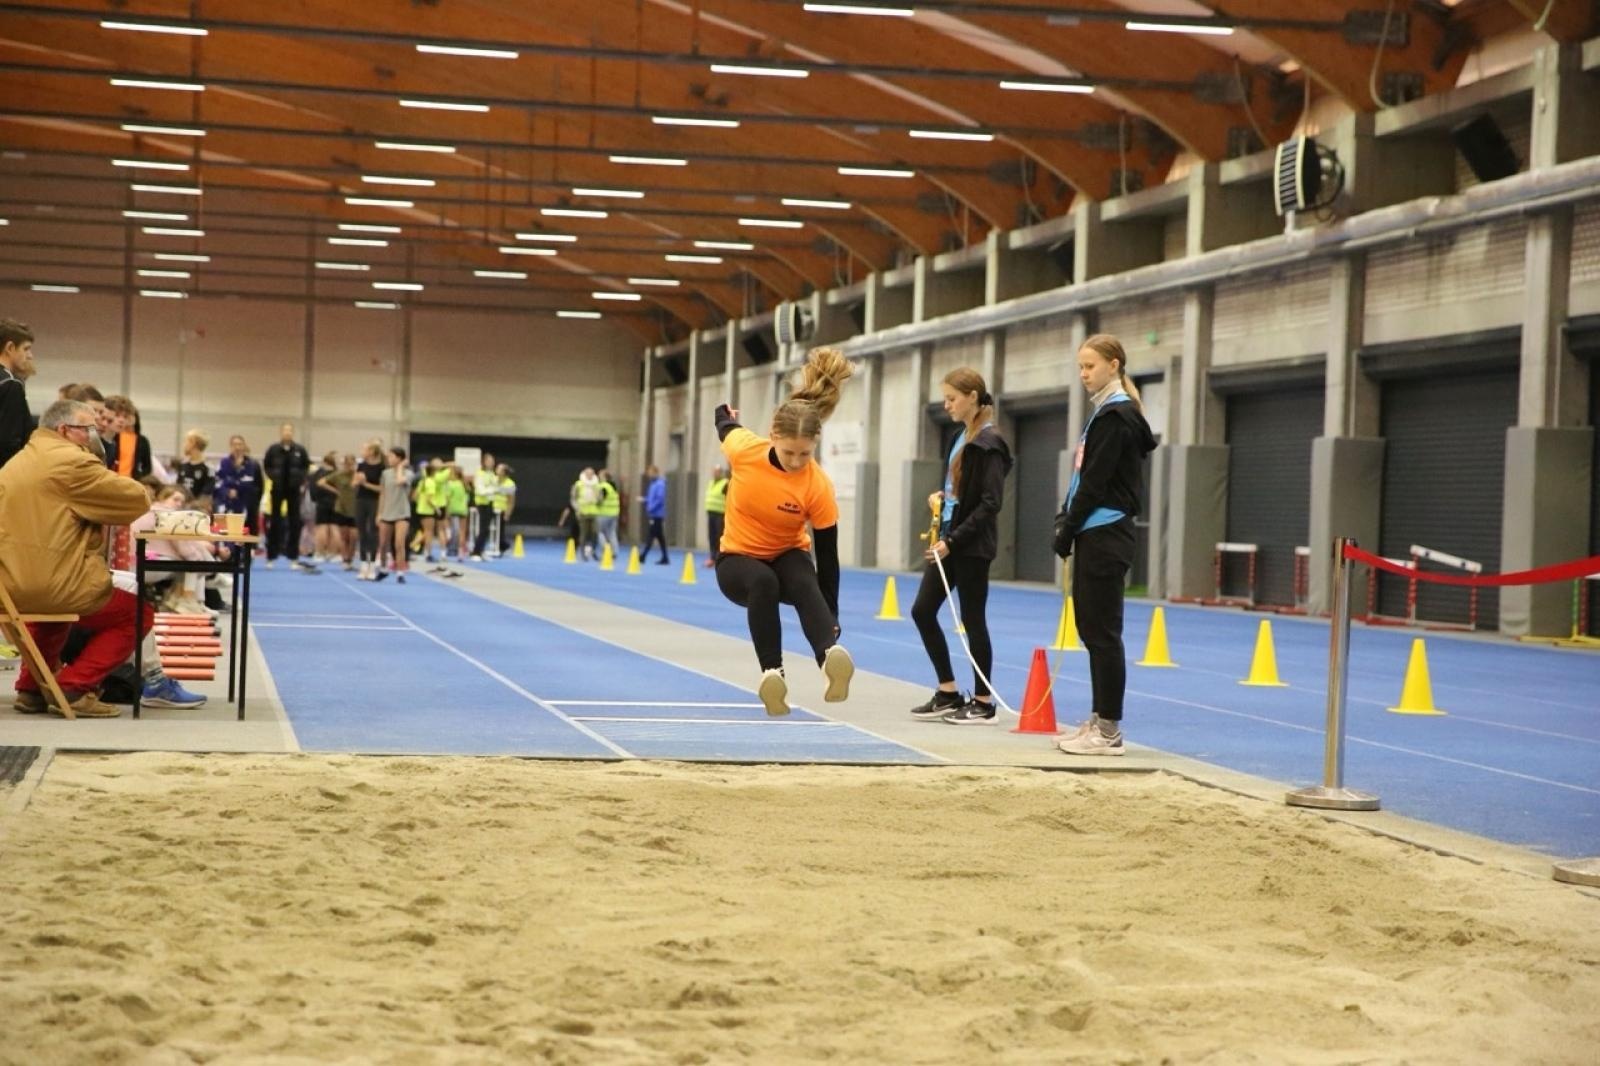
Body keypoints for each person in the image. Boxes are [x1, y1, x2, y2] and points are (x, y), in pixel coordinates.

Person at [712, 346, 856, 718]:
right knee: (763, 582)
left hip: (788, 554)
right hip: (737, 561)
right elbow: (723, 423)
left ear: (815, 447)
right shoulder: (746, 450)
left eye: (805, 455)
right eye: (790, 453)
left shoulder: (817, 486)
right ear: (773, 435)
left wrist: (832, 615)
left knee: (803, 578)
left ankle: (830, 659)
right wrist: (726, 413)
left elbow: (828, 556)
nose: (796, 462)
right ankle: (772, 675)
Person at [0, 399, 152, 717]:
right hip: (46, 583)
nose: (93, 436)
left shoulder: (19, 461)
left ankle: (31, 690)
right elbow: (134, 500)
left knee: (57, 612)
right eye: (88, 429)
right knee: (136, 613)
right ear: (65, 430)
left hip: (10, 585)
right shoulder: (71, 463)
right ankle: (74, 686)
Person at [1052, 333, 1158, 757]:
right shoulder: (1103, 414)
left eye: (1090, 366)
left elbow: (1095, 483)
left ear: (1114, 365)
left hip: (1106, 533)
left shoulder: (1117, 417)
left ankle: (1110, 730)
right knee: (1090, 629)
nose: (1084, 374)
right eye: (1080, 367)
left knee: (1102, 632)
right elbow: (1084, 476)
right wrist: (1068, 517)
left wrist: (1067, 526)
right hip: (1093, 531)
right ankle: (1099, 718)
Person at [908, 368, 1014, 725]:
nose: (947, 404)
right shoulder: (961, 436)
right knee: (923, 610)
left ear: (972, 396)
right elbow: (961, 491)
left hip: (969, 544)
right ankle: (949, 692)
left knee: (972, 619)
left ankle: (984, 704)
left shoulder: (990, 442)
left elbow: (990, 503)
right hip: (949, 537)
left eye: (952, 398)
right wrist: (943, 498)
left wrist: (953, 540)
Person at [262, 423, 314, 571]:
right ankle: (271, 556)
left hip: (294, 490)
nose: (287, 433)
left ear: (293, 433)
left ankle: (293, 556)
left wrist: (299, 479)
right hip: (277, 489)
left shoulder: (299, 450)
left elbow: (306, 466)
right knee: (275, 522)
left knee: (294, 523)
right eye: (285, 430)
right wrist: (274, 477)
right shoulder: (273, 450)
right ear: (281, 432)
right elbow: (267, 465)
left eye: (290, 431)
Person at [0, 318, 36, 469]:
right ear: (10, 347)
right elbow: (8, 442)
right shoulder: (10, 384)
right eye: (26, 349)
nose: (30, 355)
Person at [377, 445, 413, 584]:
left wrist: (401, 467)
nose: (389, 459)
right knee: (383, 544)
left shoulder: (408, 473)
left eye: (392, 456)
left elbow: (400, 481)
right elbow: (383, 493)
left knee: (399, 543)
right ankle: (383, 569)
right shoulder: (385, 473)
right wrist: (379, 513)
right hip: (387, 512)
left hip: (402, 513)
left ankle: (400, 571)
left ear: (399, 458)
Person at [216, 435, 264, 535]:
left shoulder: (253, 465)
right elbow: (217, 483)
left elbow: (259, 486)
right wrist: (227, 492)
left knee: (248, 537)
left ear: (244, 446)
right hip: (226, 506)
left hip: (247, 508)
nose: (237, 447)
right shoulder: (223, 463)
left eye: (239, 444)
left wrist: (251, 501)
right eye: (234, 444)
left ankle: (250, 550)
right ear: (230, 446)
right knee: (223, 535)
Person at [352, 441, 385, 580]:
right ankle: (363, 564)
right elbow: (353, 484)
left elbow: (382, 489)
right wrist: (357, 482)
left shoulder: (382, 468)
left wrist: (366, 484)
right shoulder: (361, 465)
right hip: (361, 500)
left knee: (372, 531)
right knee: (361, 531)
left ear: (371, 452)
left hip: (374, 501)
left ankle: (372, 564)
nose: (362, 451)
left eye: (364, 449)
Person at [102, 396, 153, 480]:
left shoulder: (112, 444)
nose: (121, 420)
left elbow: (147, 467)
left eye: (125, 417)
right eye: (117, 415)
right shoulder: (95, 440)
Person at [174, 429, 216, 512]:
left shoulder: (208, 468)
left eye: (186, 441)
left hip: (198, 511)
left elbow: (206, 495)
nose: (184, 445)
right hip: (180, 508)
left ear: (193, 443)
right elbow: (178, 487)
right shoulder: (183, 465)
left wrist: (192, 505)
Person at [470, 452, 499, 561]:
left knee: (487, 529)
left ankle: (481, 550)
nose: (492, 463)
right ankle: (475, 552)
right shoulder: (480, 474)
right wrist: (492, 490)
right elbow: (480, 490)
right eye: (489, 461)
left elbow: (496, 486)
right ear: (484, 462)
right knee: (483, 529)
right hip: (482, 503)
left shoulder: (491, 474)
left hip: (490, 503)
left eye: (493, 461)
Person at [570, 468, 601, 561]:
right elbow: (573, 498)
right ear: (584, 474)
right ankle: (582, 553)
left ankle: (592, 550)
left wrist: (598, 500)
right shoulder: (579, 484)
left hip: (594, 512)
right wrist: (577, 509)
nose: (590, 475)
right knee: (583, 534)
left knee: (595, 533)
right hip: (583, 512)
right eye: (588, 473)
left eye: (592, 473)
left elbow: (600, 498)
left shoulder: (597, 485)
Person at [641, 465, 669, 565]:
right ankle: (665, 557)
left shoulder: (659, 484)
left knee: (651, 535)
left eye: (650, 472)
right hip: (653, 513)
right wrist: (645, 500)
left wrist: (651, 507)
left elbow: (659, 499)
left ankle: (643, 555)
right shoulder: (653, 484)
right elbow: (652, 498)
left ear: (655, 472)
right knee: (660, 537)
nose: (649, 475)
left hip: (657, 514)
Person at [703, 463, 729, 568]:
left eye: (717, 471)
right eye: (714, 471)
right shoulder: (711, 483)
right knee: (711, 536)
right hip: (711, 513)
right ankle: (712, 557)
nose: (715, 473)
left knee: (719, 537)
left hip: (720, 514)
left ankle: (719, 558)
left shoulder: (725, 483)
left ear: (721, 473)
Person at [595, 468, 622, 561]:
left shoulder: (603, 486)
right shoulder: (613, 486)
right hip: (614, 513)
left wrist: (595, 504)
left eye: (600, 475)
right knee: (612, 533)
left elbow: (600, 499)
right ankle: (615, 552)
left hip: (604, 513)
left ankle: (606, 550)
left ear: (603, 477)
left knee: (598, 532)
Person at [493, 463, 516, 555]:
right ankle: (500, 546)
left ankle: (503, 546)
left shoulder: (510, 484)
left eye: (499, 469)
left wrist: (508, 513)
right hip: (491, 508)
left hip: (502, 509)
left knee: (499, 530)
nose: (496, 470)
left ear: (504, 472)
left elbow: (511, 501)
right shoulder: (493, 480)